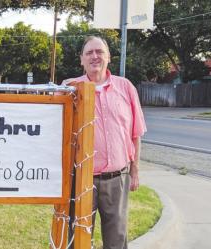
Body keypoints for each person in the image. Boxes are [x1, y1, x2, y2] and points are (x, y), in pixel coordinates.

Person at [62, 36, 147, 249]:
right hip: (81, 180)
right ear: (81, 59)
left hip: (117, 178)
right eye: (89, 53)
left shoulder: (125, 87)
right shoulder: (69, 88)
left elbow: (136, 134)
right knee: (78, 238)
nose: (95, 56)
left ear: (108, 57)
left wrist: (135, 170)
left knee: (117, 239)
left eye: (99, 52)